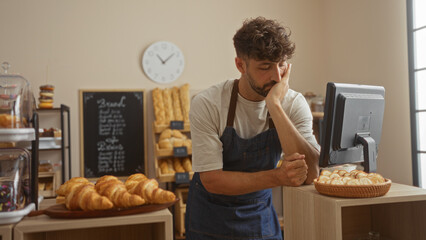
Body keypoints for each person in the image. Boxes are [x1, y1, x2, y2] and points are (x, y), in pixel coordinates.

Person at [185, 16, 320, 240]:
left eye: (281, 66)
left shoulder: (293, 103)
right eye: (265, 67)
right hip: (209, 220)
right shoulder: (208, 103)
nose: (277, 77)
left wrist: (275, 106)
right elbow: (212, 179)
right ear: (240, 65)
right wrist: (278, 176)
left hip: (260, 217)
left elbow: (310, 173)